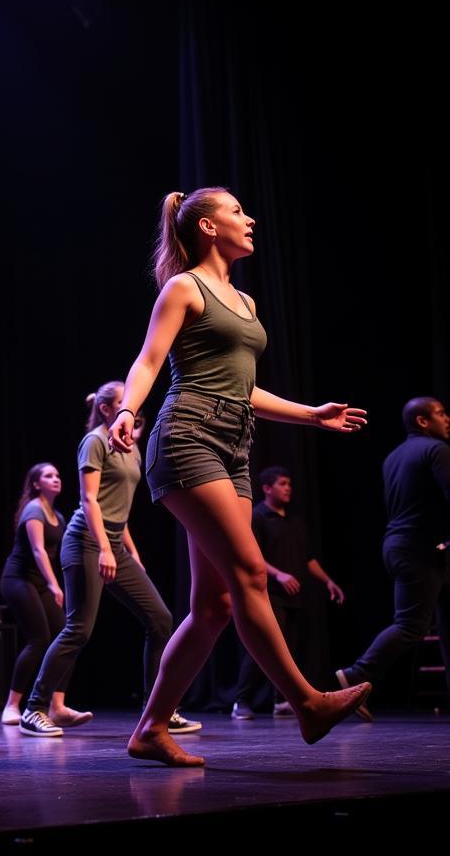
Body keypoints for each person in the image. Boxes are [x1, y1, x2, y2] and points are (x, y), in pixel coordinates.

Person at [108, 188, 371, 767]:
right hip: (188, 436)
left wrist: (312, 415)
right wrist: (127, 409)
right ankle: (308, 703)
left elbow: (245, 389)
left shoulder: (245, 302)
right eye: (236, 211)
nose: (249, 219)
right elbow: (150, 359)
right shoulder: (184, 287)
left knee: (214, 606)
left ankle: (150, 729)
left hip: (235, 446)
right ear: (206, 226)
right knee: (252, 571)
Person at [19, 388, 198, 737]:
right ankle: (34, 708)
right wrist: (104, 548)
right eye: (122, 403)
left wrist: (131, 552)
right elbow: (89, 500)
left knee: (160, 619)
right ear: (105, 409)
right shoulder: (95, 441)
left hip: (114, 542)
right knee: (79, 628)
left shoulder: (129, 446)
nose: (131, 409)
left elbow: (119, 506)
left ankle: (157, 712)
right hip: (86, 540)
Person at [335, 397, 450, 718]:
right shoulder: (436, 450)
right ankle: (356, 675)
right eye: (441, 413)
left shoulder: (393, 456)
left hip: (400, 545)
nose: (447, 418)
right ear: (423, 421)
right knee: (411, 625)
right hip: (422, 548)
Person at [231, 466, 345, 719]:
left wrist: (328, 582)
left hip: (294, 597)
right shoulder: (258, 517)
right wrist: (279, 574)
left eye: (289, 484)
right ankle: (242, 701)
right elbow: (253, 554)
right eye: (283, 483)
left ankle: (281, 700)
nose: (288, 488)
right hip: (269, 593)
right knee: (262, 647)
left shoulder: (294, 521)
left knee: (289, 650)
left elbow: (308, 559)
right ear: (267, 488)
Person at [0, 462, 92, 728]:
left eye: (58, 475)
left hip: (41, 582)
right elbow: (38, 551)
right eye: (48, 475)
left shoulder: (59, 516)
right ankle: (12, 706)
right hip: (18, 580)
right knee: (38, 639)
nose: (56, 479)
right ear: (36, 483)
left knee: (67, 633)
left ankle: (57, 706)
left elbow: (60, 553)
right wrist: (55, 585)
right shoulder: (34, 509)